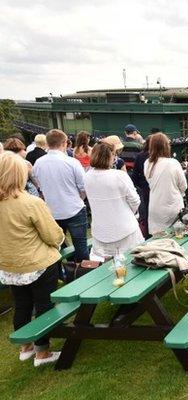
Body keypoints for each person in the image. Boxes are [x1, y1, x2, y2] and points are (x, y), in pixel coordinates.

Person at [0, 153, 64, 366]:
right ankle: (42, 352)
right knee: (44, 306)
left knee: (22, 305)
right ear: (19, 175)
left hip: (9, 266)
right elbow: (53, 235)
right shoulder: (31, 203)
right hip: (38, 263)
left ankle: (25, 347)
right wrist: (59, 240)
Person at [33, 129, 89, 270]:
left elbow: (39, 185)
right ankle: (83, 275)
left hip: (53, 211)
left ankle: (60, 274)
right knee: (81, 246)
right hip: (74, 208)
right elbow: (83, 187)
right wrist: (79, 198)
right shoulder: (72, 162)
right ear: (64, 143)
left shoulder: (38, 163)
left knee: (54, 247)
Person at [84, 143, 143, 259]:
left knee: (108, 268)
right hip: (124, 230)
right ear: (110, 156)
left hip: (102, 230)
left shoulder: (87, 176)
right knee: (132, 263)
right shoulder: (119, 176)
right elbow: (135, 201)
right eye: (114, 155)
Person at [144, 133, 187, 234]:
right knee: (177, 239)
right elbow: (183, 186)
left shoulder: (147, 164)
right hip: (173, 207)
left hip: (155, 207)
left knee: (159, 241)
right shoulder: (173, 163)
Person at [131, 135, 152, 237]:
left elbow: (134, 176)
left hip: (145, 188)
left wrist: (142, 185)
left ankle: (148, 235)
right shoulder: (144, 156)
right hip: (148, 188)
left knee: (147, 214)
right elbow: (135, 176)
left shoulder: (140, 156)